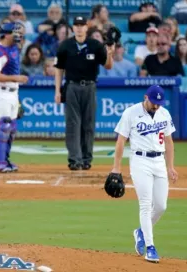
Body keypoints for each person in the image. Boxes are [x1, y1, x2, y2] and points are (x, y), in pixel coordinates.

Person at [111, 85, 178, 263]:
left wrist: (170, 166)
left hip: (159, 162)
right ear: (145, 97)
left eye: (159, 103)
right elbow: (121, 141)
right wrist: (116, 168)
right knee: (146, 204)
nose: (156, 106)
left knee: (161, 206)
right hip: (140, 161)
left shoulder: (164, 113)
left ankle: (140, 231)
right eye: (153, 102)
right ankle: (150, 247)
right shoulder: (131, 113)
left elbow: (169, 142)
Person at [54, 16, 114, 171]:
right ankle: (74, 159)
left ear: (87, 27)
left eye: (82, 25)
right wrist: (57, 90)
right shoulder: (66, 45)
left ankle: (86, 159)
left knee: (88, 124)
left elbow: (107, 66)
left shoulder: (95, 45)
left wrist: (110, 53)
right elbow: (59, 68)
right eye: (76, 25)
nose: (79, 28)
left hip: (90, 86)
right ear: (73, 28)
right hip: (72, 86)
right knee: (72, 124)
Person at [0, 22, 28, 173]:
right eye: (15, 33)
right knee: (4, 126)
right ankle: (0, 162)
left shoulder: (14, 48)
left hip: (12, 93)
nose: (18, 36)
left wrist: (16, 98)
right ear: (6, 34)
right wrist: (16, 78)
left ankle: (6, 159)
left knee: (11, 128)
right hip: (0, 91)